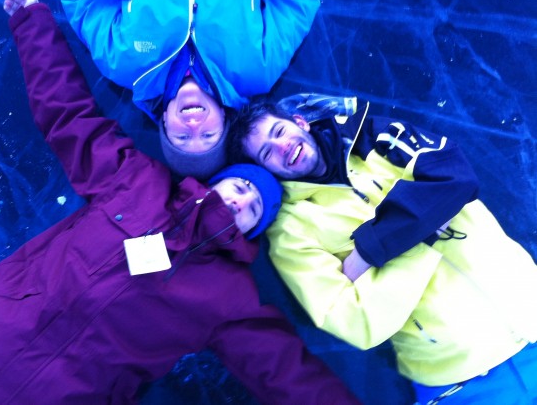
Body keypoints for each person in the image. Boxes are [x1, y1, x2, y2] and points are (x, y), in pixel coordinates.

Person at [0, 0, 360, 405]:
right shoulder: (137, 182)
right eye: (241, 188)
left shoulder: (230, 296)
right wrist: (34, 24)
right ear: (218, 180)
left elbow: (289, 376)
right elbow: (69, 115)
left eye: (252, 210)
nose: (239, 203)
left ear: (252, 232)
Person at [228, 94, 537, 404]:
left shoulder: (376, 137)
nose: (282, 147)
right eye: (267, 152)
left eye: (279, 132)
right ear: (265, 169)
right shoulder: (291, 232)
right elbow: (355, 321)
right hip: (460, 381)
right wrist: (420, 239)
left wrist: (366, 253)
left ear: (299, 122)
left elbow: (454, 178)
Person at [61, 0, 321, 178]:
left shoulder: (123, 64)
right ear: (223, 118)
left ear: (164, 122)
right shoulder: (259, 69)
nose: (194, 127)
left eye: (182, 138)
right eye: (209, 136)